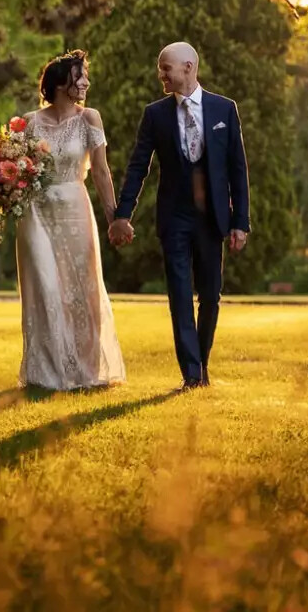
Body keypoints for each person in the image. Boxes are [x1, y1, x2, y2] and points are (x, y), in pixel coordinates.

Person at [107, 41, 250, 389]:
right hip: (175, 219)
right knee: (180, 295)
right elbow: (138, 166)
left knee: (211, 296)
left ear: (188, 67)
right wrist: (122, 214)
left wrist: (240, 222)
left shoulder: (224, 109)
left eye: (166, 68)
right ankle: (191, 374)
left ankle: (202, 364)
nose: (161, 75)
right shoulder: (154, 114)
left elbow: (237, 170)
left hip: (213, 217)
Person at [15, 51, 127, 390]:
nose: (86, 83)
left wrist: (114, 217)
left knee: (81, 290)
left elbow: (102, 172)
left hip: (76, 211)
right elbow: (16, 171)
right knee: (45, 286)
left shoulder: (90, 118)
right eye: (80, 77)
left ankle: (85, 369)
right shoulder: (28, 123)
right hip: (36, 214)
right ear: (62, 83)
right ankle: (44, 372)